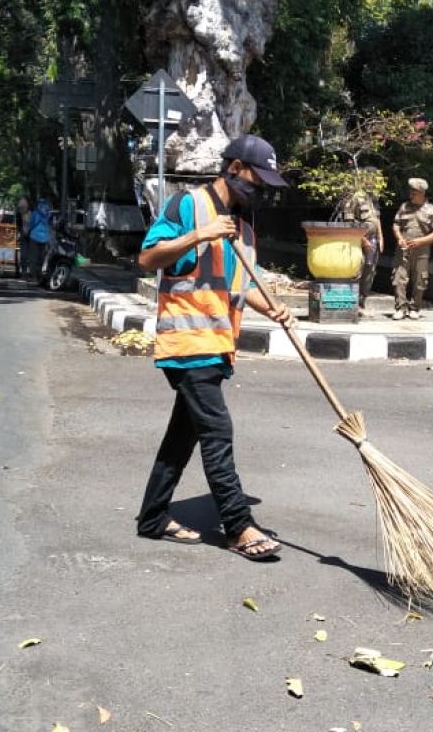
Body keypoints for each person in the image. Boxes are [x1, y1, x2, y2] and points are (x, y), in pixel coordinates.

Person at [135, 133, 292, 562]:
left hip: (218, 346)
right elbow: (148, 259)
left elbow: (242, 288)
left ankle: (152, 518)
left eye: (264, 185)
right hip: (186, 342)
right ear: (234, 167)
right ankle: (238, 525)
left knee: (183, 436)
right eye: (255, 180)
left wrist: (273, 308)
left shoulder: (244, 231)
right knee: (218, 431)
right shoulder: (188, 206)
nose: (258, 190)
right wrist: (199, 235)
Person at [391, 177, 433, 320]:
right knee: (399, 278)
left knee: (420, 281)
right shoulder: (404, 207)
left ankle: (414, 308)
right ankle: (400, 308)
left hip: (421, 251)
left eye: (414, 192)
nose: (410, 194)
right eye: (411, 191)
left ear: (421, 193)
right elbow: (396, 225)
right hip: (403, 249)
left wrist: (421, 241)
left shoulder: (432, 210)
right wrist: (399, 238)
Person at [337, 188, 382, 313]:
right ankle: (350, 303)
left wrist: (380, 238)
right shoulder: (356, 197)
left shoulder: (374, 198)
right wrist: (362, 239)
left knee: (370, 270)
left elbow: (377, 220)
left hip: (373, 240)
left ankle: (361, 302)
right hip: (358, 240)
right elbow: (349, 222)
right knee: (357, 269)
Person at [27, 198, 51, 280]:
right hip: (45, 237)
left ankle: (32, 274)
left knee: (33, 256)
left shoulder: (35, 212)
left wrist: (28, 231)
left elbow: (31, 223)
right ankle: (39, 274)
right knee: (41, 256)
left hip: (34, 236)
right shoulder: (48, 213)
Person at [16, 197, 31, 276]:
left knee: (25, 253)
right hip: (27, 235)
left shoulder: (29, 213)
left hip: (28, 235)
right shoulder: (29, 213)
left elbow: (18, 224)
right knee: (25, 254)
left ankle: (25, 270)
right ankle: (25, 270)